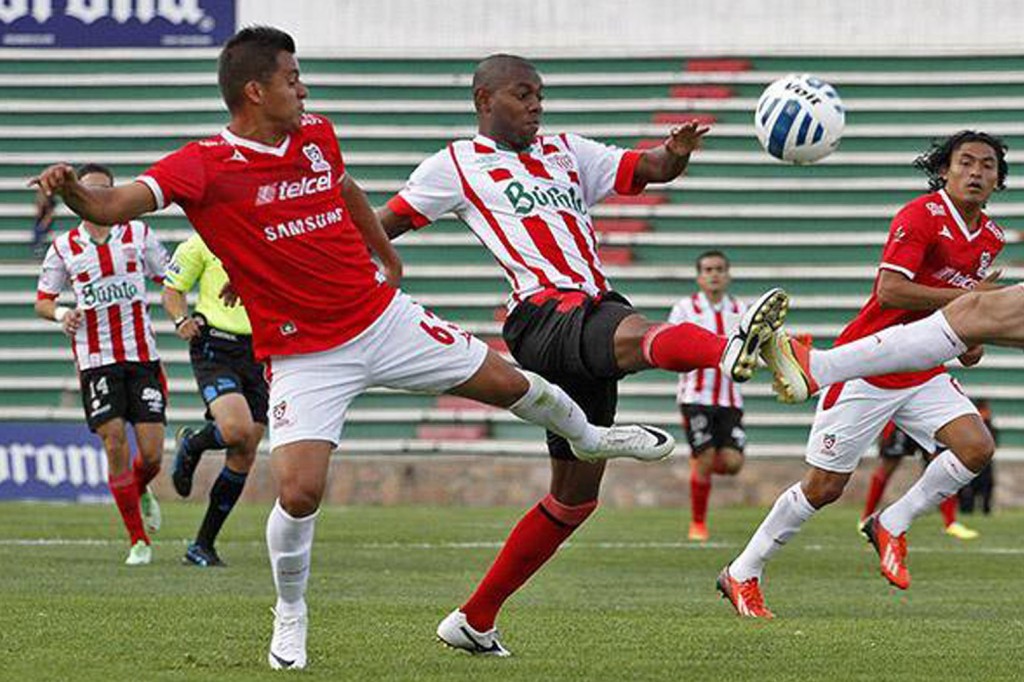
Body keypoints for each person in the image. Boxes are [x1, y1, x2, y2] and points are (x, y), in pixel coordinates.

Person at [28, 27, 731, 670]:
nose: (303, 87)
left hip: (382, 318)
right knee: (300, 492)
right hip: (307, 353)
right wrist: (74, 197)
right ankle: (291, 610)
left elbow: (344, 188)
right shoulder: (203, 165)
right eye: (293, 78)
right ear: (255, 90)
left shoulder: (316, 134)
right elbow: (116, 204)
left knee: (516, 386)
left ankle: (594, 436)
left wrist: (381, 257)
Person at [378, 53, 789, 653]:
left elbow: (649, 168)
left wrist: (674, 152)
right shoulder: (455, 165)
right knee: (635, 332)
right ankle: (726, 351)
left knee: (575, 497)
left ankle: (474, 619)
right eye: (523, 95)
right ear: (484, 101)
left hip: (587, 307)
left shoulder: (565, 150)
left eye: (540, 94)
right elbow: (385, 222)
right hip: (543, 313)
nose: (536, 105)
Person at [721, 130, 1008, 617]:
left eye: (987, 165)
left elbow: (966, 327)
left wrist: (974, 331)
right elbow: (891, 291)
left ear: (999, 179)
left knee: (977, 447)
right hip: (868, 366)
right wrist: (971, 303)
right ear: (943, 170)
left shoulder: (991, 238)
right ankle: (743, 571)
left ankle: (890, 522)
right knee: (825, 489)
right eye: (965, 162)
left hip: (923, 369)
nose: (976, 172)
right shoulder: (921, 215)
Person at [34, 163, 167, 566]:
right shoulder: (64, 247)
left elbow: (168, 277)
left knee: (154, 455)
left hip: (142, 356)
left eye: (103, 190)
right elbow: (44, 300)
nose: (94, 197)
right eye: (86, 190)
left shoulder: (139, 234)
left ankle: (140, 489)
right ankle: (138, 540)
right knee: (113, 443)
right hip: (96, 359)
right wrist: (61, 316)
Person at [162, 232, 268, 567]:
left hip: (261, 351)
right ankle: (193, 444)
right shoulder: (201, 242)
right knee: (236, 429)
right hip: (216, 346)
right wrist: (181, 319)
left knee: (245, 448)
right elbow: (172, 289)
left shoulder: (269, 236)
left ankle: (202, 545)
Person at [668, 250, 747, 542]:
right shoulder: (684, 308)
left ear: (727, 274)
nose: (714, 274)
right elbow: (671, 345)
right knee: (705, 459)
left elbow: (756, 347)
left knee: (732, 464)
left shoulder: (741, 309)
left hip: (730, 398)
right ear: (699, 276)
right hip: (695, 395)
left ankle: (702, 456)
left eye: (719, 269)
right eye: (708, 269)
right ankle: (698, 524)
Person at [861, 422, 977, 540]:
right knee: (887, 467)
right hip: (900, 421)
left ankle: (951, 523)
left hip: (924, 420)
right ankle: (866, 518)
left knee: (941, 465)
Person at [959, 399, 997, 514]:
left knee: (987, 486)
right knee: (969, 489)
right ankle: (967, 510)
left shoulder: (990, 426)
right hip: (972, 461)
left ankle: (986, 510)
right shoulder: (971, 425)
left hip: (986, 463)